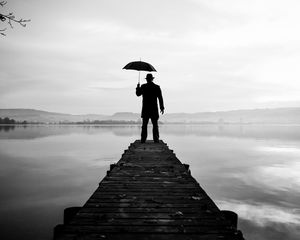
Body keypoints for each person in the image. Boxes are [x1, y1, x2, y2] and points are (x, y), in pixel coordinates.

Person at [136, 73, 164, 143]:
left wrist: (137, 87)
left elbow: (138, 94)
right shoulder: (157, 87)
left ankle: (143, 140)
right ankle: (156, 139)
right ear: (152, 79)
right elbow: (160, 98)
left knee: (144, 125)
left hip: (145, 109)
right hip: (154, 109)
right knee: (155, 125)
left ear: (147, 79)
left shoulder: (143, 86)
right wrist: (162, 108)